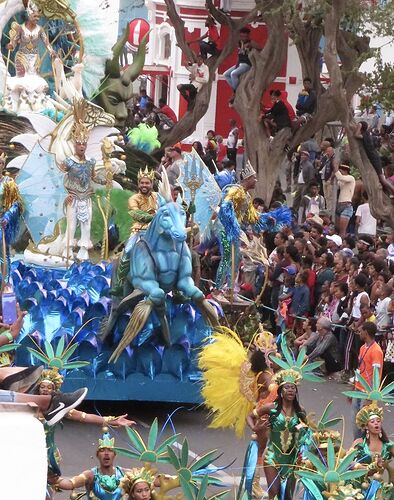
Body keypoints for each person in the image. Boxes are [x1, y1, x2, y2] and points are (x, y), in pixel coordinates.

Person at [247, 370, 309, 499]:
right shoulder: (271, 408)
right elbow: (249, 416)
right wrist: (256, 428)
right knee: (274, 492)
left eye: (293, 388)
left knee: (287, 495)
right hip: (272, 456)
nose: (290, 390)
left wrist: (302, 433)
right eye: (287, 387)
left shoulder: (300, 411)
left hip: (292, 460)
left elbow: (306, 429)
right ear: (281, 391)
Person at [60, 100, 106, 261]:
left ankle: (83, 250)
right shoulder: (68, 162)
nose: (81, 147)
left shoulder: (90, 162)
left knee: (86, 224)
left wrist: (105, 180)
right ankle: (67, 251)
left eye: (84, 144)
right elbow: (59, 178)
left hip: (86, 197)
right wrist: (63, 195)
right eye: (79, 144)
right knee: (71, 225)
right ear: (74, 144)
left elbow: (93, 177)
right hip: (72, 197)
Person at [111, 167, 158, 296]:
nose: (144, 185)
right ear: (138, 184)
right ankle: (120, 284)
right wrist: (152, 217)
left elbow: (168, 207)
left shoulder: (157, 197)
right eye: (142, 182)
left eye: (147, 183)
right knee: (127, 251)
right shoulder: (134, 198)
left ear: (152, 184)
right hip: (139, 231)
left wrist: (185, 208)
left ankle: (177, 289)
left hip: (156, 232)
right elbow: (134, 212)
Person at [54, 431, 129, 499]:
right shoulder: (90, 475)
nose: (106, 453)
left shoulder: (126, 474)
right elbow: (70, 484)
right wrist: (50, 478)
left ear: (114, 455)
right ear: (97, 455)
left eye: (110, 450)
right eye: (102, 451)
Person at [351, 322, 384, 439]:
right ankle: (356, 447)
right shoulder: (362, 348)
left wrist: (369, 397)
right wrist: (353, 388)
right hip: (358, 390)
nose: (359, 333)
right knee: (356, 422)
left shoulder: (376, 351)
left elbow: (376, 375)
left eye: (360, 331)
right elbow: (360, 369)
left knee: (366, 425)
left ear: (366, 332)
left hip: (367, 393)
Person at [356, 121, 394, 196]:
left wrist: (359, 126)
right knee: (381, 179)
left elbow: (356, 135)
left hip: (374, 158)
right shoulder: (366, 134)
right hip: (374, 158)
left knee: (382, 179)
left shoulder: (365, 135)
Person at [224, 27, 261, 98]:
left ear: (248, 36)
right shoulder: (240, 43)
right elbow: (239, 55)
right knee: (226, 74)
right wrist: (236, 65)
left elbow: (260, 48)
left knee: (233, 74)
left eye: (245, 36)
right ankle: (236, 89)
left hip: (247, 64)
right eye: (241, 36)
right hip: (240, 64)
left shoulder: (251, 42)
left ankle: (236, 91)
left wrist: (251, 46)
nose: (243, 38)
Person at [334, 163, 355, 238]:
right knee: (337, 229)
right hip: (339, 205)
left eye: (341, 171)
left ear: (345, 171)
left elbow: (339, 177)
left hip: (346, 205)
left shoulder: (351, 178)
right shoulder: (342, 181)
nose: (340, 172)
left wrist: (335, 169)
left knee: (342, 231)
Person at [293, 150, 316, 215]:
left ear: (307, 157)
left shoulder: (309, 165)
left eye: (304, 155)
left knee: (303, 199)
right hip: (299, 184)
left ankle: (303, 213)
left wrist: (308, 186)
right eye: (302, 155)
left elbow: (311, 177)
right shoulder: (301, 164)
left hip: (305, 184)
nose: (302, 156)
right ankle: (294, 212)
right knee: (296, 199)